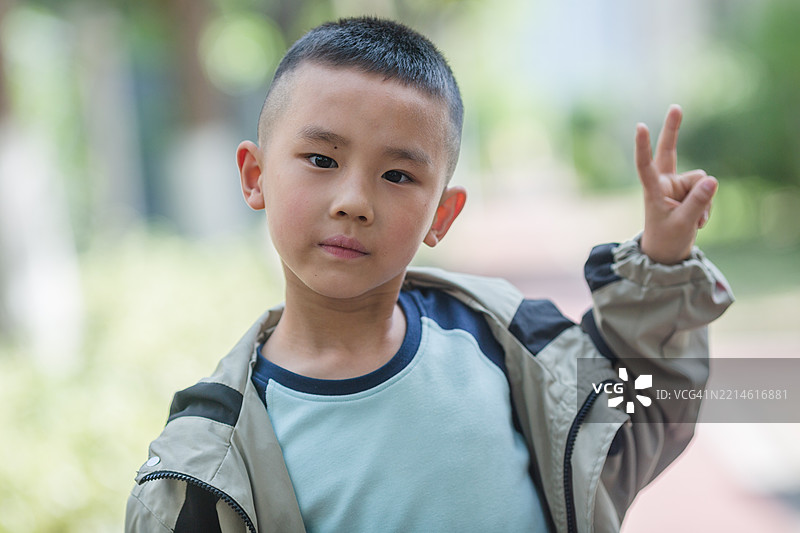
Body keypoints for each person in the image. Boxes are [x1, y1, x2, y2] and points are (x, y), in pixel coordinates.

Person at [125, 16, 733, 533]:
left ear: (441, 214)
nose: (354, 200)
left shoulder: (505, 344)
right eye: (320, 159)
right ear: (255, 175)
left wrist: (663, 261)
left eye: (398, 176)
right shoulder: (208, 463)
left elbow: (653, 403)